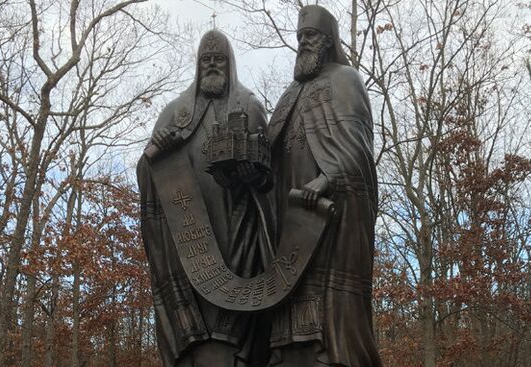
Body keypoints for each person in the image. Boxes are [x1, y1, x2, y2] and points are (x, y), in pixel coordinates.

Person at [137, 29, 273, 367]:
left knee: (233, 327)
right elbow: (146, 171)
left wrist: (250, 175)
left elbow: (271, 179)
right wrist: (158, 149)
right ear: (198, 66)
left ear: (230, 64)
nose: (212, 66)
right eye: (206, 60)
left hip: (236, 232)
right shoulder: (173, 114)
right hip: (187, 240)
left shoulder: (250, 106)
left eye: (219, 60)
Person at [265, 5, 382, 366]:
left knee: (330, 323)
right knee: (290, 328)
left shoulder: (345, 80)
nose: (302, 43)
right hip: (289, 228)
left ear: (328, 42)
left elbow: (358, 149)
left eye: (310, 36)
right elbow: (269, 158)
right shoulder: (287, 96)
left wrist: (327, 177)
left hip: (330, 225)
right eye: (299, 37)